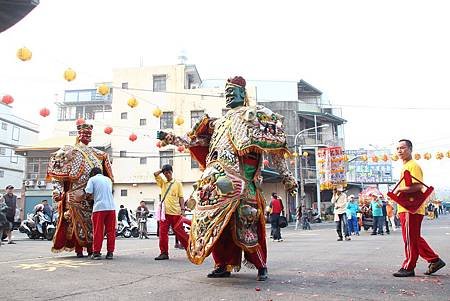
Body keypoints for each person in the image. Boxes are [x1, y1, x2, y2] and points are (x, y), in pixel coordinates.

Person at [157, 76, 297, 281]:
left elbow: (274, 147)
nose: (230, 95)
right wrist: (171, 137)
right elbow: (195, 140)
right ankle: (223, 264)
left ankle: (260, 265)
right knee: (217, 227)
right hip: (216, 182)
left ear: (243, 94)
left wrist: (287, 177)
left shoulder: (254, 116)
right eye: (228, 92)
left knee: (245, 223)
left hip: (243, 182)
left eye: (234, 91)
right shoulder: (218, 123)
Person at [47, 123, 114, 257]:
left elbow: (109, 177)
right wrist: (59, 192)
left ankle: (92, 249)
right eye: (84, 133)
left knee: (93, 226)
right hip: (76, 196)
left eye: (89, 133)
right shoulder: (68, 150)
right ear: (79, 134)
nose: (87, 136)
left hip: (93, 199)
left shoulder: (98, 154)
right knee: (77, 224)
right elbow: (57, 176)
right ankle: (80, 250)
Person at [392, 139, 446, 277]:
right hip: (407, 208)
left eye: (402, 148)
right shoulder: (406, 166)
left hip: (411, 208)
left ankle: (409, 266)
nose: (399, 151)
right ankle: (434, 260)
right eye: (397, 148)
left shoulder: (413, 166)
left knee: (410, 239)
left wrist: (399, 190)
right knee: (414, 238)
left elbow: (417, 186)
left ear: (410, 149)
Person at [153, 164, 189, 260]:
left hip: (176, 213)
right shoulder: (163, 183)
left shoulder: (178, 183)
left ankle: (190, 250)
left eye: (169, 172)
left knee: (180, 233)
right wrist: (162, 170)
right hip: (164, 214)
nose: (167, 175)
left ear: (172, 172)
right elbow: (155, 174)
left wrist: (183, 210)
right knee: (163, 233)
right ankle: (164, 253)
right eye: (165, 173)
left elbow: (181, 198)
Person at [85, 167, 116, 260]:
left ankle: (97, 252)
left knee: (98, 230)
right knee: (111, 231)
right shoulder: (108, 180)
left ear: (93, 173)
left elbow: (88, 192)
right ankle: (110, 252)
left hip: (99, 208)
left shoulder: (92, 179)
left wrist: (88, 199)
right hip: (111, 208)